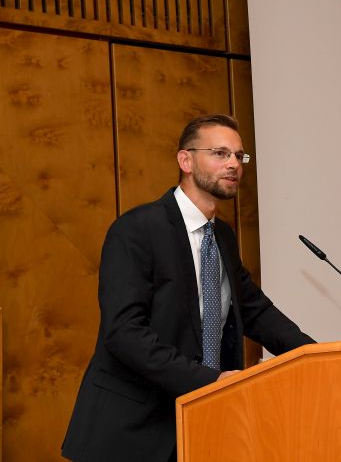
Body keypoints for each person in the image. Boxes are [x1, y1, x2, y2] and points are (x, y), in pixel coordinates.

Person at [62, 114, 314, 462]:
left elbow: (256, 311)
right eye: (220, 153)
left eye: (238, 156)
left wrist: (317, 358)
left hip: (202, 426)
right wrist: (209, 381)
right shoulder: (136, 230)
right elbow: (124, 333)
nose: (233, 165)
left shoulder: (222, 236)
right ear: (185, 160)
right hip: (131, 433)